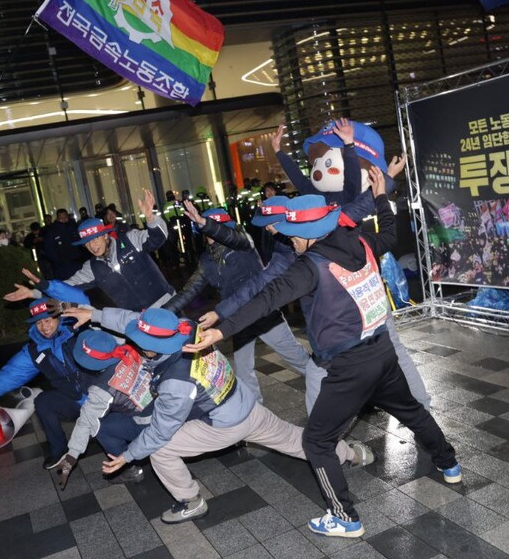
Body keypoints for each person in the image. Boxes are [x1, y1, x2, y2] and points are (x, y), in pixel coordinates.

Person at [186, 172, 460, 538]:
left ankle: (344, 517)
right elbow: (391, 234)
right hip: (382, 352)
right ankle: (449, 463)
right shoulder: (359, 239)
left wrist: (223, 330)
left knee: (316, 441)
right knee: (411, 411)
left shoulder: (309, 267)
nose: (290, 239)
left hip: (348, 367)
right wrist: (380, 199)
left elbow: (267, 299)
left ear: (308, 233)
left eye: (292, 233)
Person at [63, 306, 374, 524]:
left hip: (224, 424)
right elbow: (135, 319)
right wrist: (95, 315)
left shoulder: (174, 381)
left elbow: (161, 430)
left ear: (151, 350)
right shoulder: (184, 328)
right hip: (243, 401)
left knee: (160, 449)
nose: (134, 343)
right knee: (297, 439)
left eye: (140, 343)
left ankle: (191, 502)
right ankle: (353, 454)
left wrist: (128, 456)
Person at [163, 202, 313, 407]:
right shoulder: (207, 259)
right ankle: (257, 413)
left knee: (295, 357)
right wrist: (162, 313)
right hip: (236, 318)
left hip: (263, 313)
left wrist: (205, 223)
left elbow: (229, 236)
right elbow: (188, 291)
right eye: (206, 231)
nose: (211, 236)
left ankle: (325, 383)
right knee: (243, 370)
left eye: (214, 229)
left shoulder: (242, 242)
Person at [0, 285, 91, 470]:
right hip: (75, 400)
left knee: (112, 437)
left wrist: (45, 286)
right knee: (43, 401)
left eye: (48, 320)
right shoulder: (35, 350)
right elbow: (8, 377)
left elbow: (82, 299)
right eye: (38, 323)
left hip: (103, 396)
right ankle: (59, 449)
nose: (44, 327)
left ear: (58, 317)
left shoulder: (77, 330)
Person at [6, 190, 173, 312]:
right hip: (137, 320)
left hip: (167, 305)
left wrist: (150, 218)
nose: (92, 246)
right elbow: (66, 288)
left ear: (106, 236)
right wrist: (34, 293)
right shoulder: (91, 268)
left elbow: (158, 238)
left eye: (94, 239)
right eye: (87, 243)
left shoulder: (130, 240)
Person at [55, 329, 158, 487]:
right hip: (166, 405)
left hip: (152, 423)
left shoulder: (102, 389)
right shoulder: (132, 349)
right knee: (110, 416)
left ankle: (129, 468)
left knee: (101, 428)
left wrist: (71, 457)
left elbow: (87, 421)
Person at [42, 209, 83, 280]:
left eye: (65, 218)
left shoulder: (73, 226)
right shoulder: (52, 231)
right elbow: (49, 249)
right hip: (62, 266)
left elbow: (80, 241)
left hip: (77, 262)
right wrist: (58, 262)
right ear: (57, 218)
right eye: (61, 218)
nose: (64, 220)